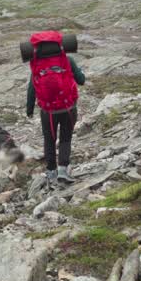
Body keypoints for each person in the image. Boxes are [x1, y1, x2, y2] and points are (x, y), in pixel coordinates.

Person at [25, 31, 86, 183]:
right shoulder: (68, 60)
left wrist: (30, 109)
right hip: (68, 108)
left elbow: (32, 88)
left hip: (48, 111)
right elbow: (81, 80)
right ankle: (63, 171)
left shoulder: (37, 65)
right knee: (65, 139)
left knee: (49, 140)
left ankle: (51, 172)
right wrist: (79, 72)